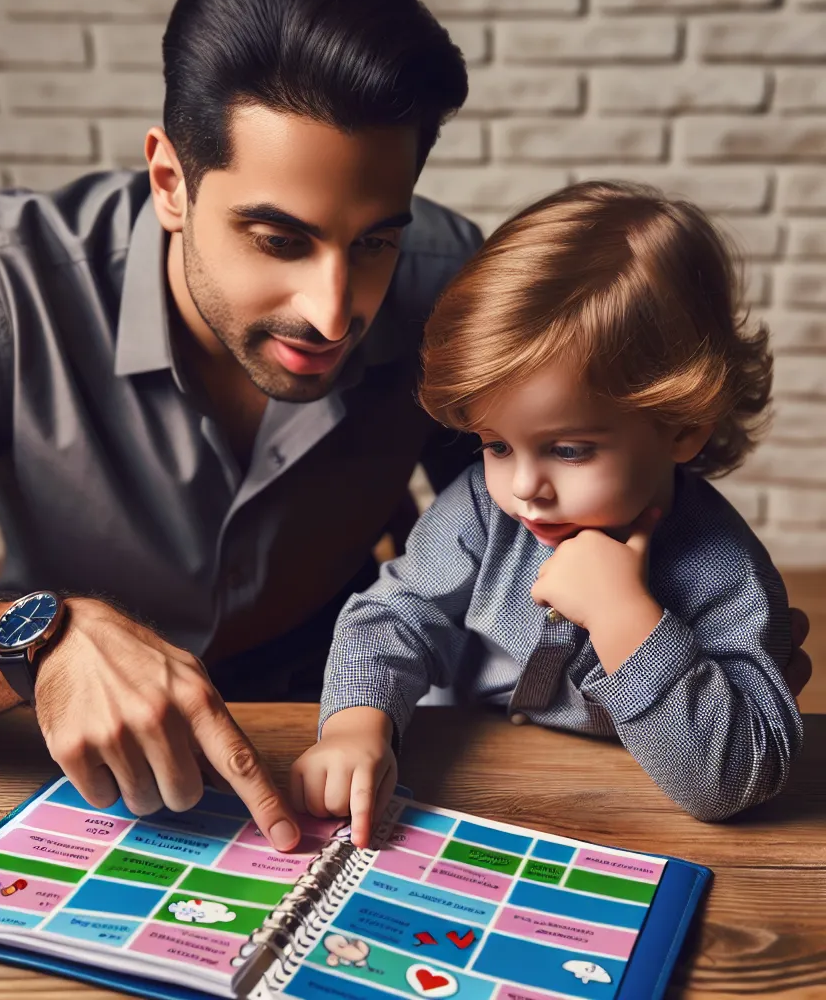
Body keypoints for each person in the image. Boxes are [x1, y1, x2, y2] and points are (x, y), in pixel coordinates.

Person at [0, 0, 483, 850]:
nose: (331, 310)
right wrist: (35, 641)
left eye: (377, 241)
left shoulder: (453, 284)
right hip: (47, 746)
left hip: (341, 731)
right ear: (170, 180)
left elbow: (534, 538)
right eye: (278, 240)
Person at [293, 181, 807, 844]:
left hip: (620, 815)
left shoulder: (724, 573)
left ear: (683, 429)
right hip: (452, 778)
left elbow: (733, 780)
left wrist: (628, 618)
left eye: (568, 449)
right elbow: (395, 615)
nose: (526, 486)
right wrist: (356, 723)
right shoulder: (484, 513)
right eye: (497, 445)